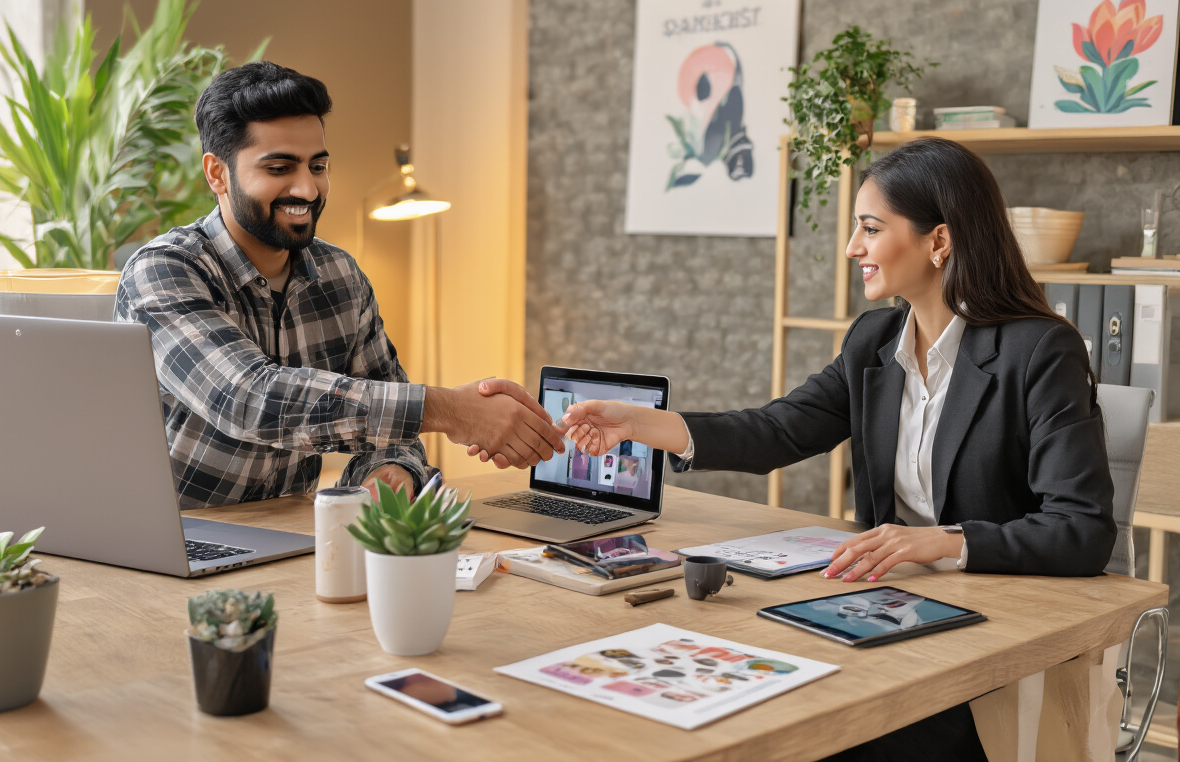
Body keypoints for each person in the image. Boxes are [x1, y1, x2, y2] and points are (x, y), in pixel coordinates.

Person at [473, 137, 1116, 761]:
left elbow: (1081, 530)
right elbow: (778, 430)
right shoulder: (875, 341)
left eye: (870, 227)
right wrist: (638, 421)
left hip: (991, 635)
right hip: (886, 612)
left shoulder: (1040, 351)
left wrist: (945, 540)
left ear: (939, 241)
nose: (851, 247)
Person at [115, 61, 561, 509]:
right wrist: (450, 410)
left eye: (318, 165)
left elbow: (392, 435)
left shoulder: (340, 276)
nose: (307, 189)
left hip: (293, 536)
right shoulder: (163, 270)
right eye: (279, 168)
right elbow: (249, 399)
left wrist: (389, 473)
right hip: (176, 539)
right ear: (217, 174)